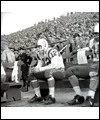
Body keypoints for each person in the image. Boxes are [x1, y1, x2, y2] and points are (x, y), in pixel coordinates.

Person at [65, 23, 99, 107]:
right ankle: (79, 96)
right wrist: (80, 50)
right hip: (94, 65)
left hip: (96, 67)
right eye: (94, 34)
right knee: (70, 71)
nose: (96, 36)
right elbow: (90, 49)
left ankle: (90, 97)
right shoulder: (92, 41)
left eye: (98, 34)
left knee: (94, 70)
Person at [28, 38, 65, 105]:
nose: (38, 48)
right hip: (49, 71)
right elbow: (39, 65)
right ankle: (38, 96)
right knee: (32, 74)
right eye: (37, 47)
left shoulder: (52, 51)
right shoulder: (39, 54)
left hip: (59, 70)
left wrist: (40, 69)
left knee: (48, 72)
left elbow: (54, 65)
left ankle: (52, 97)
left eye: (39, 46)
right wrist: (35, 69)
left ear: (44, 45)